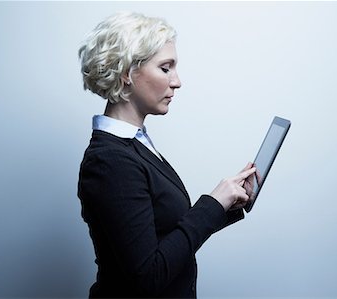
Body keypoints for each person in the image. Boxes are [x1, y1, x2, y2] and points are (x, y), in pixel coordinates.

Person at [77, 11, 256, 298]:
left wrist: (228, 202)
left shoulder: (135, 145)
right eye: (165, 68)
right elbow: (148, 276)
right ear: (127, 73)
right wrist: (211, 203)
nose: (177, 81)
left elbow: (167, 231)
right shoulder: (109, 162)